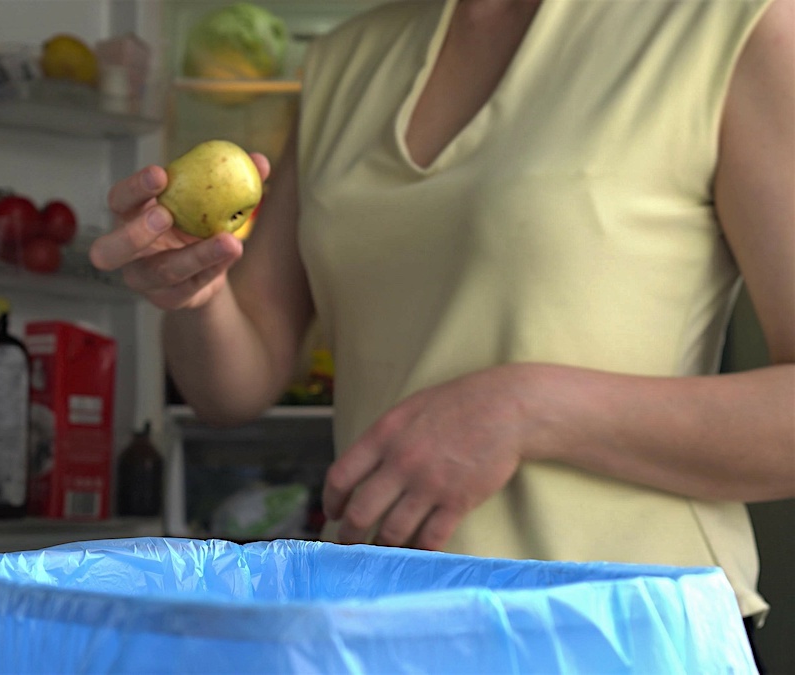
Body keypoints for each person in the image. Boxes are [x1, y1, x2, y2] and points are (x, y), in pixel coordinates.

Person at [90, 0, 793, 657]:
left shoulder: (732, 24)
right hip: (378, 634)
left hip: (623, 637)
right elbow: (233, 389)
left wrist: (530, 410)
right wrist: (196, 289)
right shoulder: (344, 62)